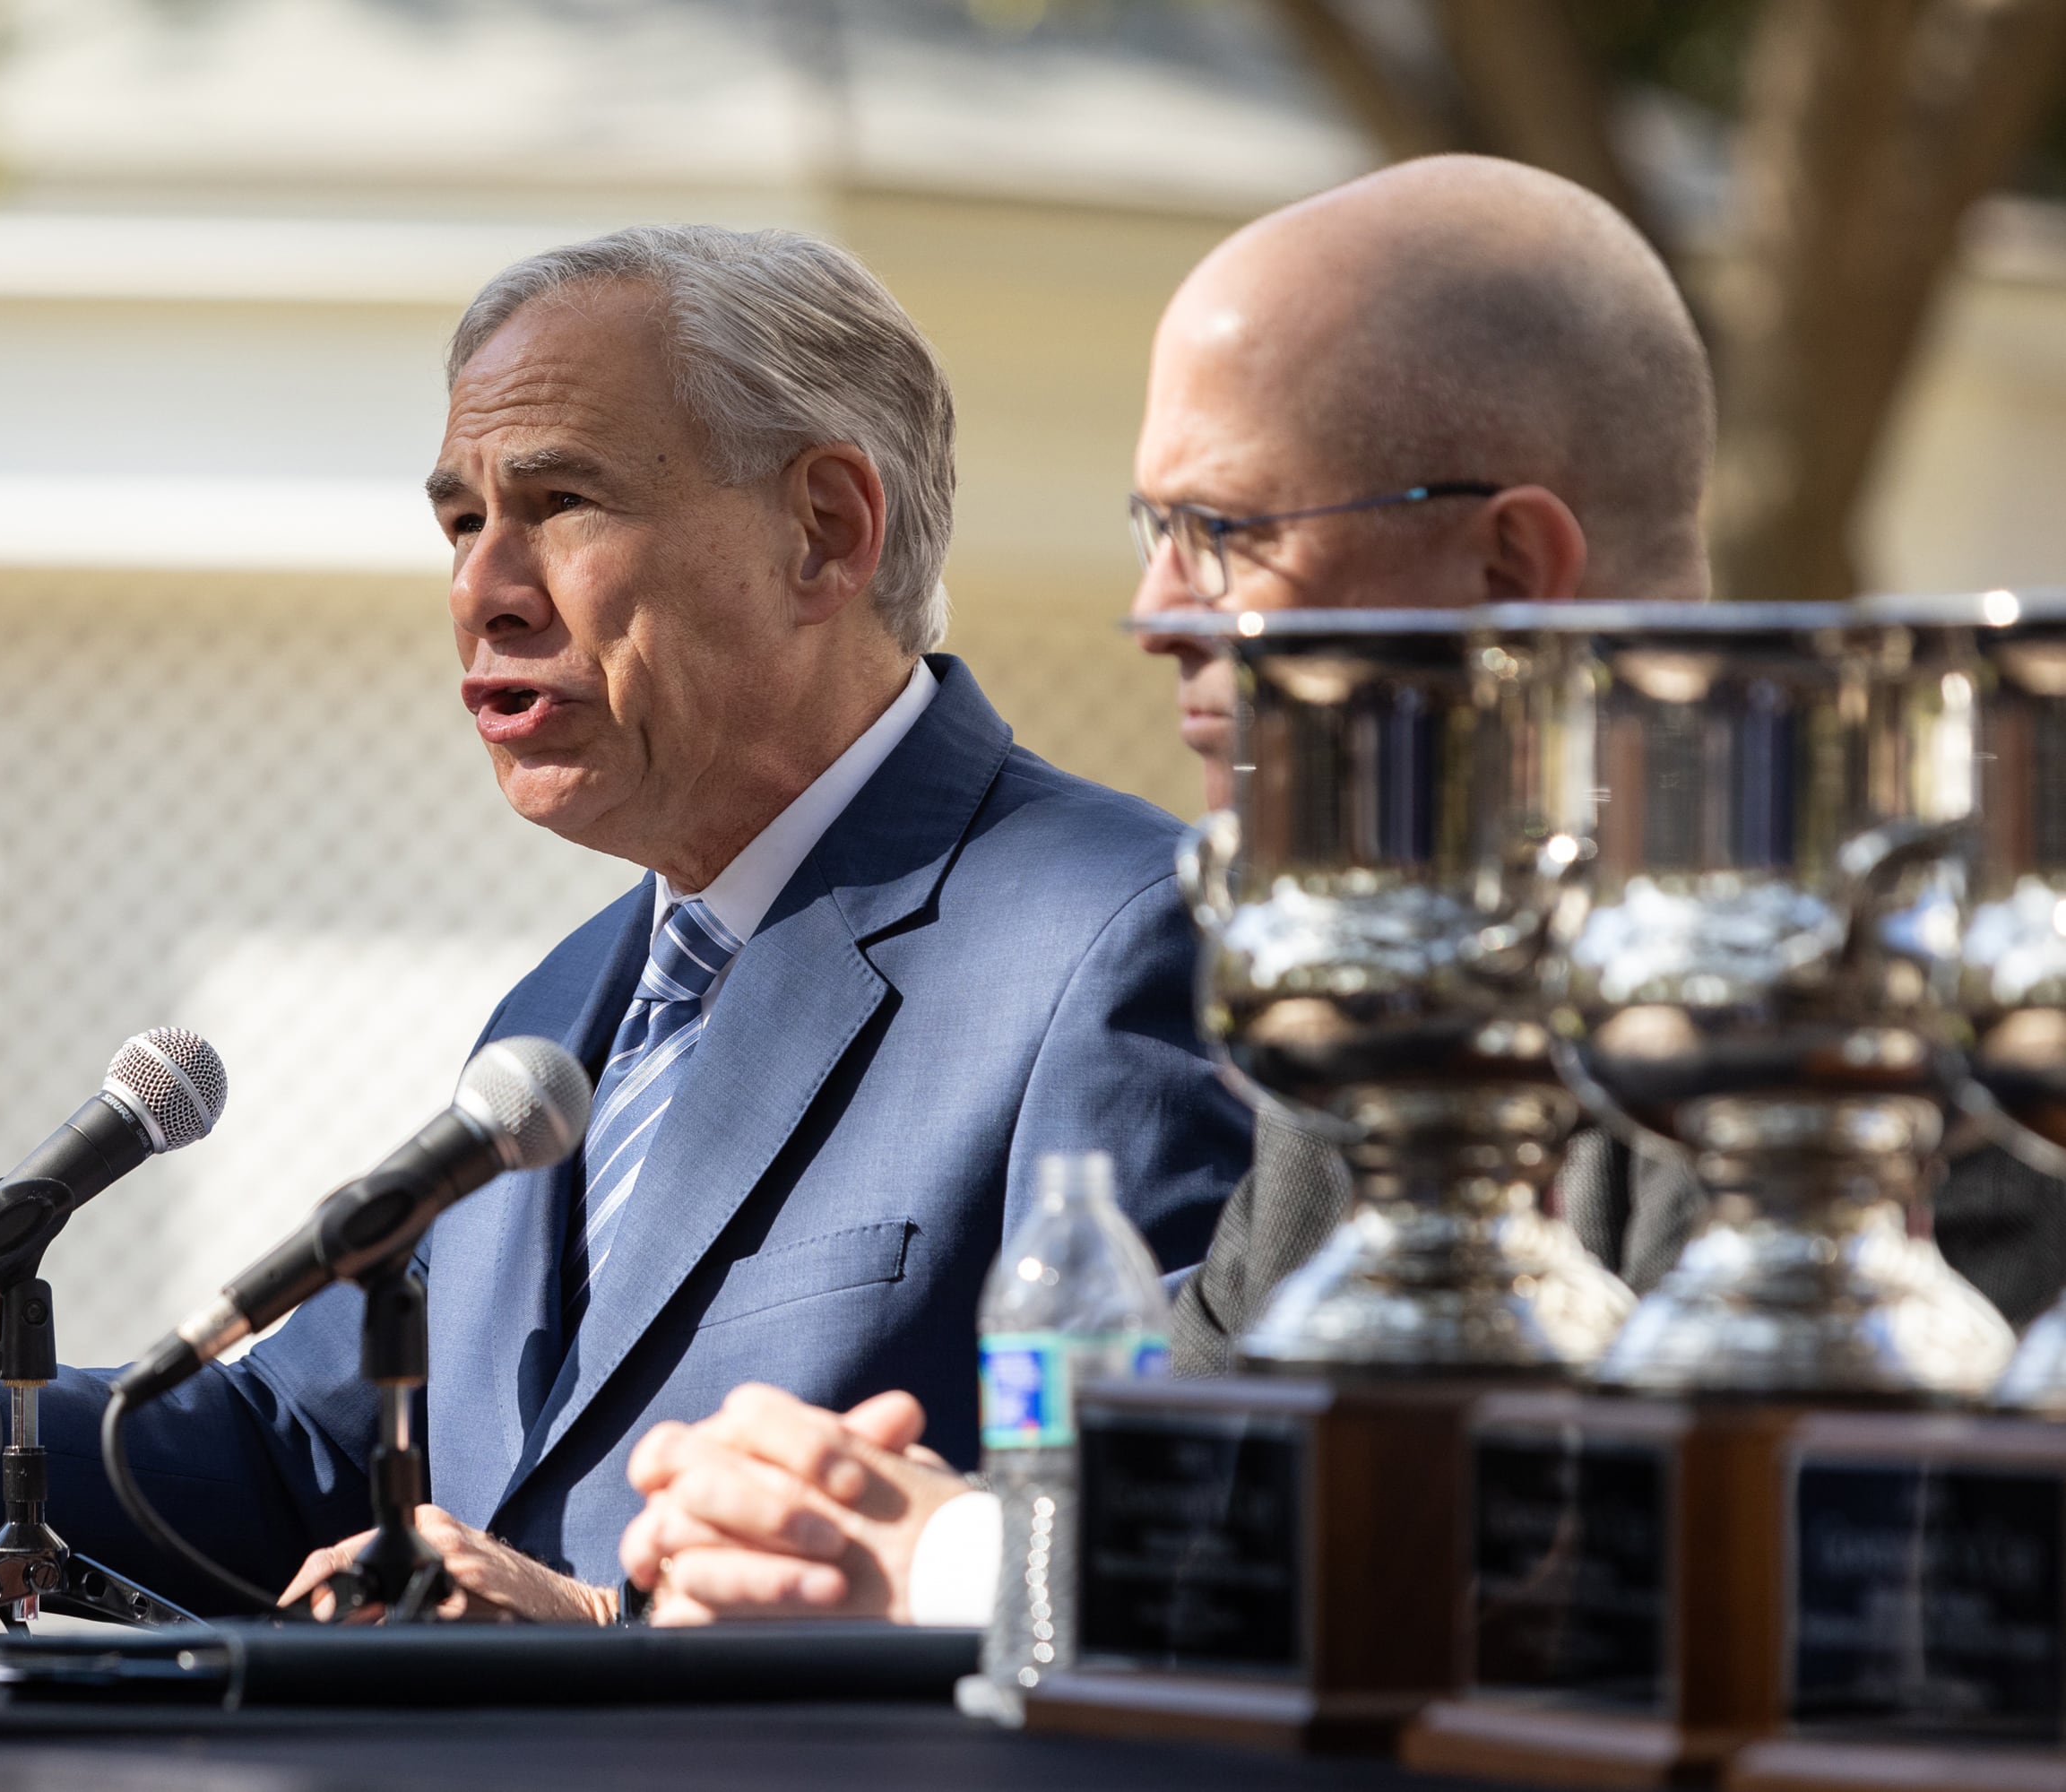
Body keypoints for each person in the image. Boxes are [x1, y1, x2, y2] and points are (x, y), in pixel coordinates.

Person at [0, 224, 1253, 1652]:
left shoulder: (1118, 943)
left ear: (825, 533)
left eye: (560, 502)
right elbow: (313, 1464)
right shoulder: (564, 1009)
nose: (483, 591)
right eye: (459, 519)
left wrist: (601, 1643)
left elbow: (1175, 1568)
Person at [621, 153, 2066, 1626]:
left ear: (1511, 567)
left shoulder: (1899, 1005)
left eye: (1225, 534)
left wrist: (966, 1565)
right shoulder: (1387, 1006)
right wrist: (832, 1528)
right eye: (1152, 535)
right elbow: (1211, 1460)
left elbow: (1756, 1587)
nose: (1156, 617)